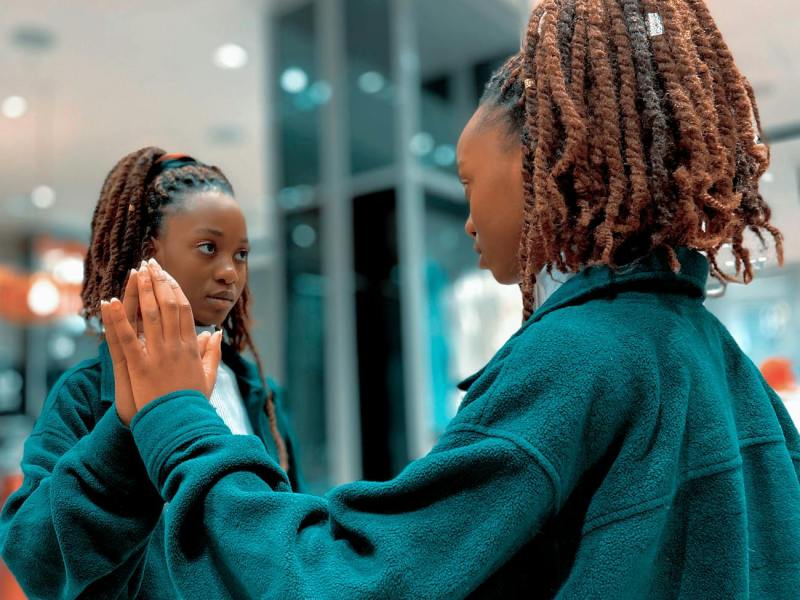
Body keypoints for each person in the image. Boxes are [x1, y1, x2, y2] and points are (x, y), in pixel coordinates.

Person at [52, 0, 800, 596]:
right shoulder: (709, 354)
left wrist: (174, 421)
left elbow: (350, 579)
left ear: (550, 164)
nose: (469, 218)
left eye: (472, 182)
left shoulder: (580, 358)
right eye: (209, 250)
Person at [0, 148, 302, 599]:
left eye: (241, 254)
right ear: (149, 253)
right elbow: (36, 561)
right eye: (208, 247)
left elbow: (284, 529)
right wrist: (122, 429)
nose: (229, 273)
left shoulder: (257, 391)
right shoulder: (85, 394)